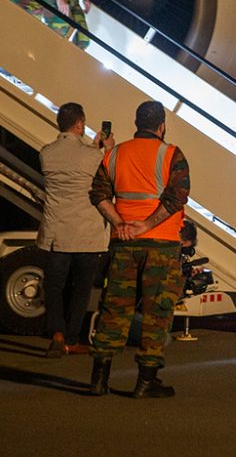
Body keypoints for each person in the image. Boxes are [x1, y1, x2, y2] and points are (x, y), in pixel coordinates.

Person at [88, 101, 188, 398]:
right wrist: (146, 225)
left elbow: (98, 194)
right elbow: (176, 197)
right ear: (161, 126)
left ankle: (99, 379)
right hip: (162, 244)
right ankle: (146, 381)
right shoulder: (171, 154)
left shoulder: (115, 154)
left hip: (124, 244)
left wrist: (120, 223)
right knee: (156, 312)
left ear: (136, 123)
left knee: (114, 309)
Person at [38, 102, 115, 357]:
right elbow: (97, 172)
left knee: (55, 287)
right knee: (81, 290)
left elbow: (73, 167)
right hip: (87, 234)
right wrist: (106, 148)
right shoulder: (94, 156)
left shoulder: (46, 153)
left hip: (56, 233)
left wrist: (94, 148)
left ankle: (56, 333)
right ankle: (72, 338)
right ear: (80, 124)